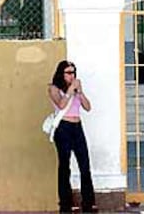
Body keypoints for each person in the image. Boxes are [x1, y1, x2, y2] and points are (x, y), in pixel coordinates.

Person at [48, 60, 97, 213]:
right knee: (64, 166)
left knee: (85, 165)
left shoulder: (76, 90)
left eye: (73, 72)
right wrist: (70, 90)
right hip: (63, 128)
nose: (72, 75)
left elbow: (88, 107)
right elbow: (61, 105)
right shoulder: (53, 88)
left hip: (77, 127)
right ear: (61, 74)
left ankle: (88, 203)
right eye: (68, 72)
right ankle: (65, 204)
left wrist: (80, 92)